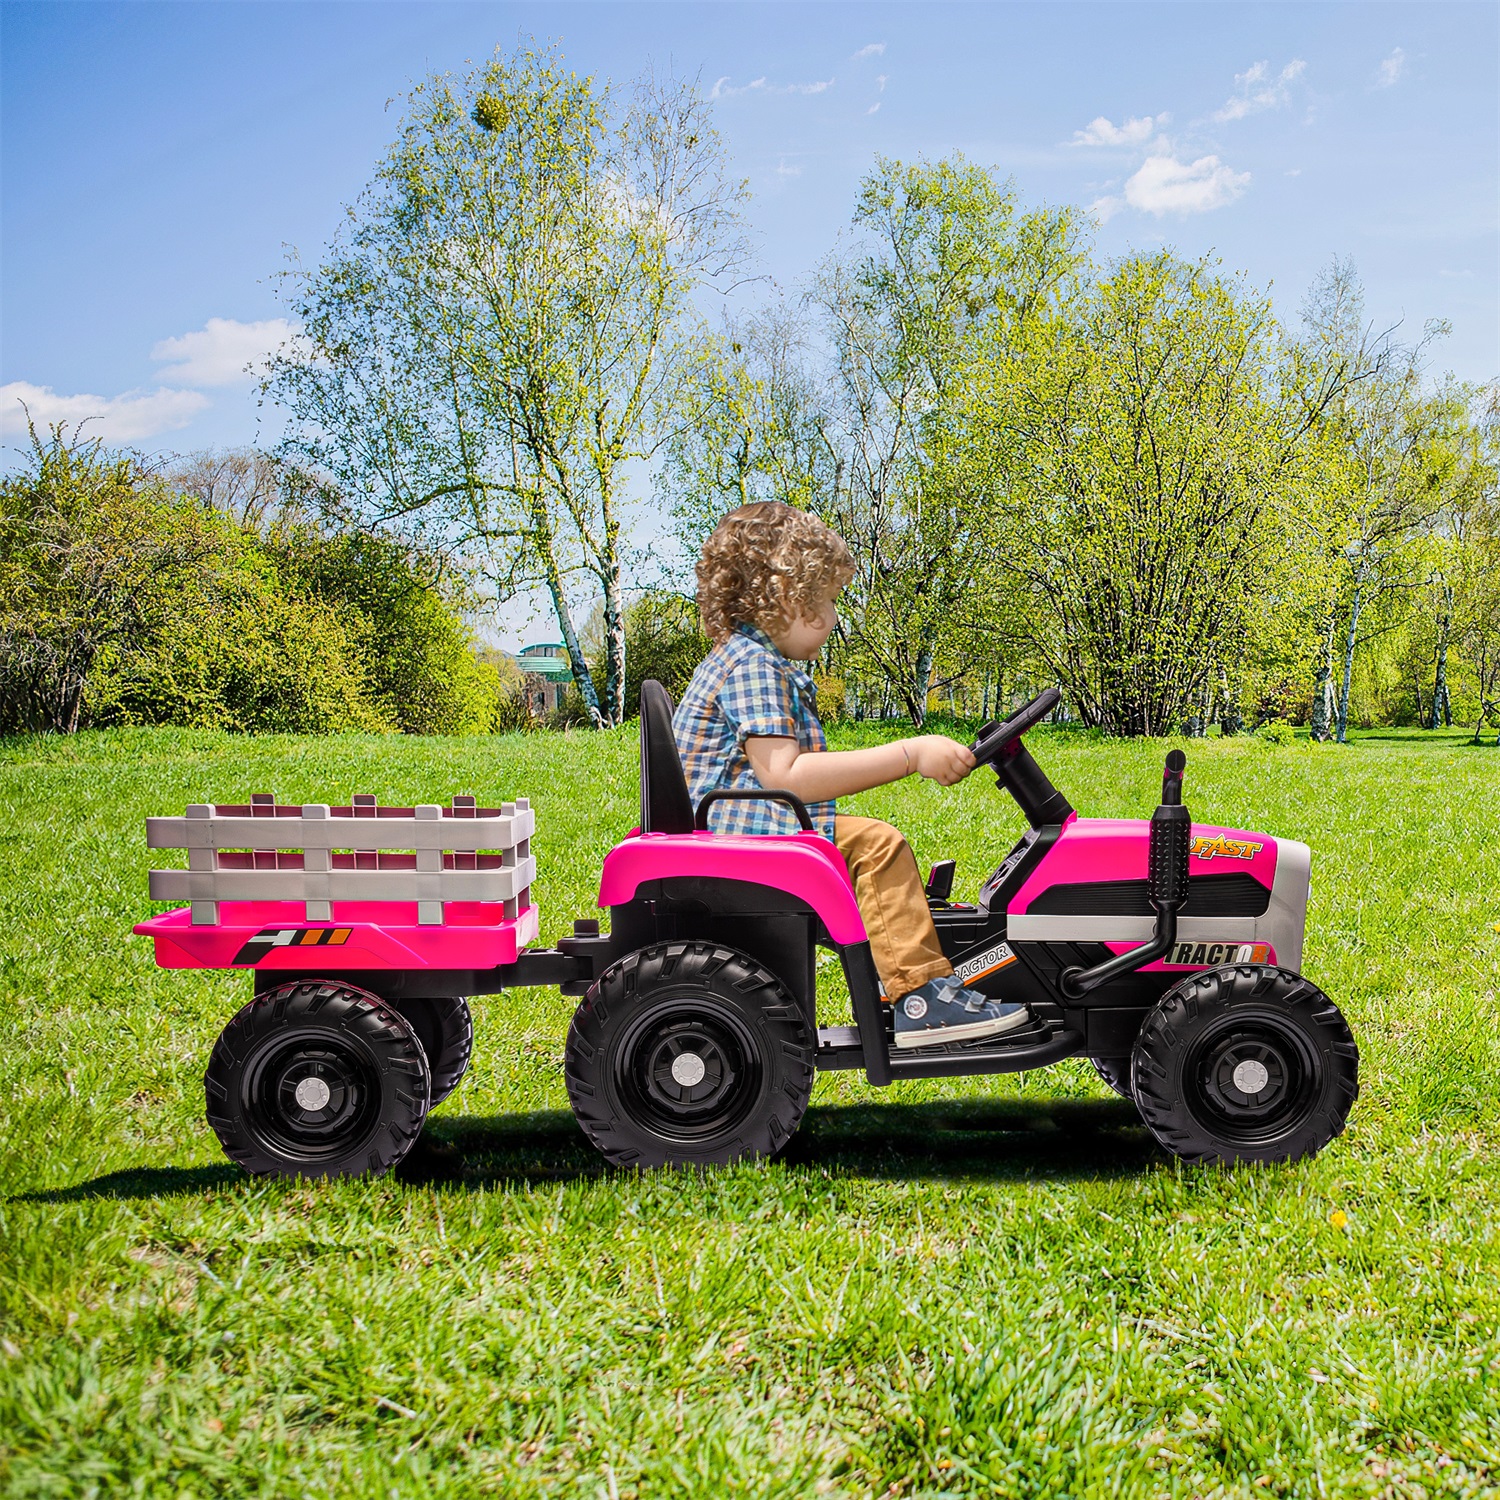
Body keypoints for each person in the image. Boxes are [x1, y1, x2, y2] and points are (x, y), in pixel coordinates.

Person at [673, 501, 1033, 1049]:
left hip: (739, 826)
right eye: (829, 602)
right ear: (787, 598)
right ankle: (920, 996)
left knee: (869, 840)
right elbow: (785, 778)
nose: (836, 618)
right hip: (742, 839)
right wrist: (909, 754)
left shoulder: (743, 658)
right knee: (878, 846)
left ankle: (919, 975)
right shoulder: (752, 666)